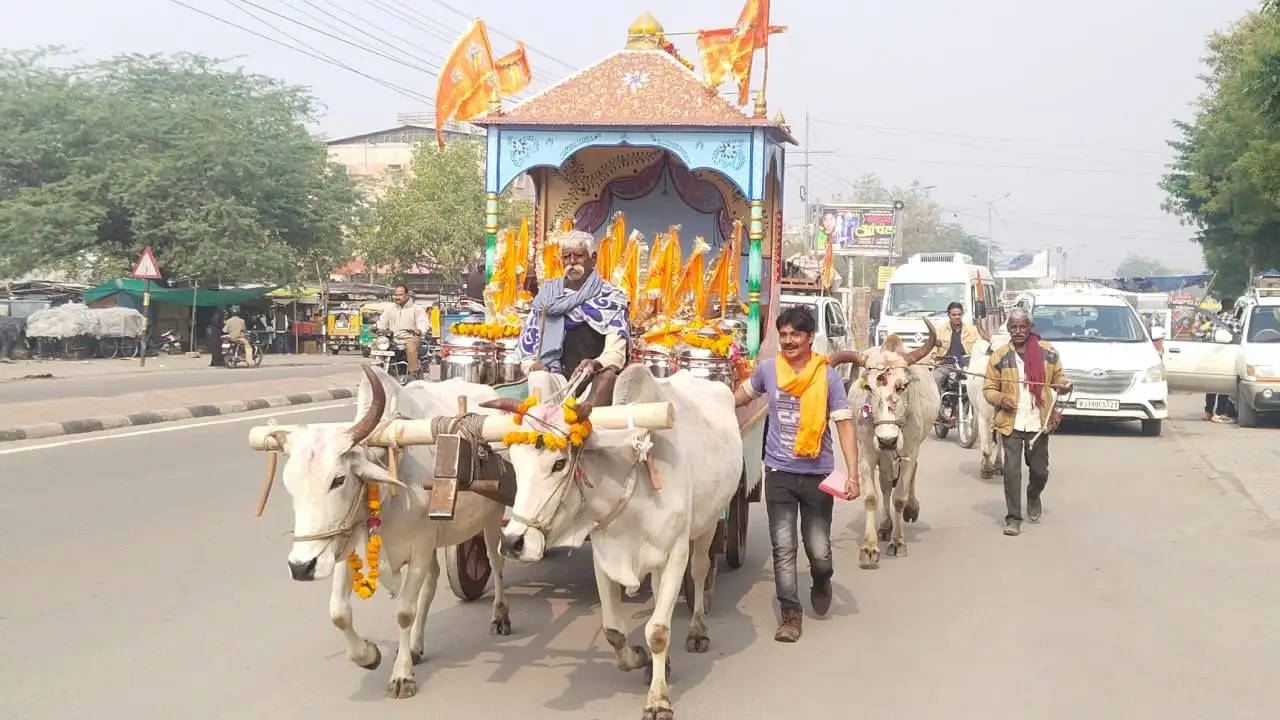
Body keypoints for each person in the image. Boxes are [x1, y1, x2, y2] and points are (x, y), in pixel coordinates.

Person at [733, 306, 859, 643]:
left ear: (810, 338)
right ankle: (790, 613)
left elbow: (844, 425)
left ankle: (821, 579)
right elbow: (741, 396)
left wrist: (853, 473)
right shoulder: (768, 371)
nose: (788, 341)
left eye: (795, 335)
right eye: (783, 335)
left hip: (818, 474)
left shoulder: (827, 376)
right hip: (779, 473)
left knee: (819, 551)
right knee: (783, 547)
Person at [514, 230, 630, 406]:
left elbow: (616, 354)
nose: (572, 261)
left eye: (579, 255)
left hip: (591, 380)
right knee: (538, 377)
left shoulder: (611, 298)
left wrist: (595, 364)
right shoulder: (546, 298)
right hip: (556, 380)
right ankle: (543, 427)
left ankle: (584, 426)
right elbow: (528, 351)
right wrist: (532, 365)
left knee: (607, 377)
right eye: (567, 257)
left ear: (593, 259)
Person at [982, 308, 1070, 537]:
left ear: (1030, 328)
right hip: (1010, 423)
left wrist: (1062, 384)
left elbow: (1059, 377)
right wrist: (1001, 398)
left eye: (1023, 327)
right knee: (1011, 472)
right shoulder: (999, 356)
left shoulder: (1048, 353)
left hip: (1038, 424)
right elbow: (988, 389)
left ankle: (1033, 495)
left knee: (1040, 471)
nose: (1018, 331)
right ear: (1008, 329)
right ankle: (1013, 518)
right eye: (1013, 327)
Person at [931, 301, 988, 396]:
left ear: (962, 315)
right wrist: (934, 355)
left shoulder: (972, 329)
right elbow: (932, 346)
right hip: (946, 364)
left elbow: (980, 345)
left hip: (968, 365)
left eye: (959, 314)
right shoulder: (939, 329)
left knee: (980, 380)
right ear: (948, 315)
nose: (957, 317)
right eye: (954, 315)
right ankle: (940, 406)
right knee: (935, 378)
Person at [376, 284, 430, 380]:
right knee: (376, 344)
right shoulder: (390, 309)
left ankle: (413, 373)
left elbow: (423, 323)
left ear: (407, 295)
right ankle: (377, 367)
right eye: (396, 295)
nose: (397, 297)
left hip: (410, 338)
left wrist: (420, 330)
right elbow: (382, 322)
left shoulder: (416, 309)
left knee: (411, 346)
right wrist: (378, 328)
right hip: (393, 339)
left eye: (400, 295)